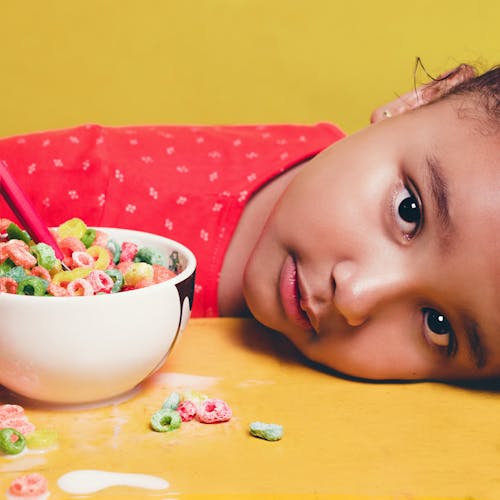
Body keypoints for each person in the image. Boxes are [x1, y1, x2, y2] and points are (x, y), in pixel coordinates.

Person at [0, 63, 498, 382]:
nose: (355, 296)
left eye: (438, 327)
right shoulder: (81, 186)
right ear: (421, 98)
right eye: (408, 210)